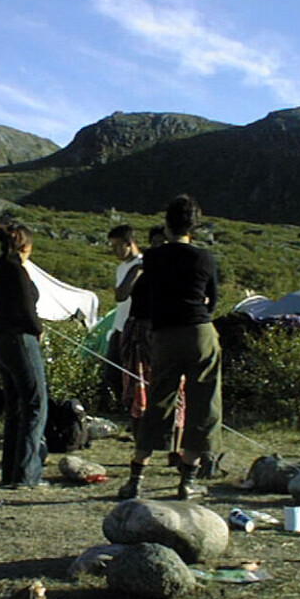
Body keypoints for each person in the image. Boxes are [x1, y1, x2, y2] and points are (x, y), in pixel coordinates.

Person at [118, 194, 223, 501]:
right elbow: (213, 301)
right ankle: (187, 481)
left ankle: (136, 477)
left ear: (166, 224)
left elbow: (146, 296)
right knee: (203, 402)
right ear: (195, 225)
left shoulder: (153, 258)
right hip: (198, 331)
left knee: (159, 400)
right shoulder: (204, 258)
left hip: (163, 334)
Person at [0, 222, 49, 488]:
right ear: (26, 246)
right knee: (35, 405)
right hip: (20, 339)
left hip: (1, 340)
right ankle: (27, 474)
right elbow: (26, 306)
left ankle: (10, 472)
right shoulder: (17, 270)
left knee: (15, 408)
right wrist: (38, 329)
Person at [119, 225, 185, 470]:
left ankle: (174, 450)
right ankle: (140, 448)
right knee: (137, 389)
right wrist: (136, 270)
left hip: (164, 332)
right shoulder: (142, 270)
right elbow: (120, 295)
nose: (159, 248)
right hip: (139, 332)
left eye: (163, 244)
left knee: (175, 390)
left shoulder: (176, 273)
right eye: (155, 243)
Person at [105, 225, 143, 403]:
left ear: (129, 243)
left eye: (117, 245)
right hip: (119, 326)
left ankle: (134, 411)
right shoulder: (121, 267)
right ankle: (123, 407)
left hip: (135, 328)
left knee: (133, 373)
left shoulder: (142, 265)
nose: (114, 251)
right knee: (112, 373)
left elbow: (122, 294)